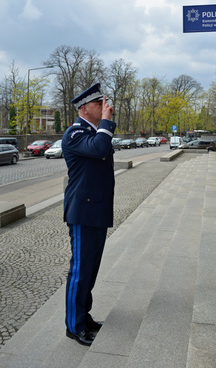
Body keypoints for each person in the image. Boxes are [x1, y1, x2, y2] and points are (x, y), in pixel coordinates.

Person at [62, 83, 116, 346]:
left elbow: (101, 147)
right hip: (83, 212)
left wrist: (104, 124)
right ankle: (74, 326)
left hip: (97, 210)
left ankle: (85, 316)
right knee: (80, 271)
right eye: (99, 104)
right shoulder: (75, 133)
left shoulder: (94, 132)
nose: (106, 108)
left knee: (91, 270)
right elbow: (98, 149)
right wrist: (106, 122)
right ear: (84, 109)